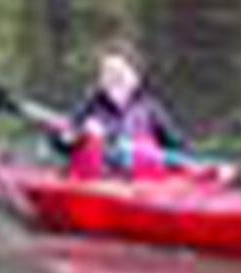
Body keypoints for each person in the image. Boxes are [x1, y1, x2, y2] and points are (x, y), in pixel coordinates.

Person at [57, 41, 229, 184]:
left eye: (119, 73)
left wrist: (206, 169)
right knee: (92, 143)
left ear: (136, 78)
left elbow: (177, 147)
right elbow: (61, 143)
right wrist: (74, 136)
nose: (113, 79)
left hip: (143, 184)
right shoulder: (90, 106)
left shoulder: (150, 109)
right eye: (107, 73)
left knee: (156, 152)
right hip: (100, 182)